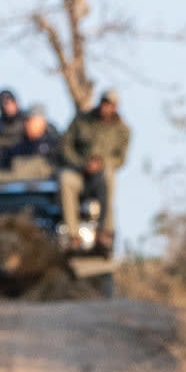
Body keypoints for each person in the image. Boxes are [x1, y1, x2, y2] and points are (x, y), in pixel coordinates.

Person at [60, 89, 129, 253]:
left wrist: (102, 164)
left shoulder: (122, 130)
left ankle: (105, 233)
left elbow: (120, 158)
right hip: (79, 171)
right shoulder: (82, 120)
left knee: (109, 179)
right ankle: (73, 236)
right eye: (105, 103)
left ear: (116, 107)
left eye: (111, 105)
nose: (107, 108)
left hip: (102, 173)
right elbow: (66, 146)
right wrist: (81, 163)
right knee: (65, 179)